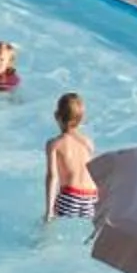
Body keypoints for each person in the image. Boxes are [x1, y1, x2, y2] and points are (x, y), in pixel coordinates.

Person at [45, 93, 98, 225]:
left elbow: (52, 177)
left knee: (50, 226)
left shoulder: (54, 144)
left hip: (70, 196)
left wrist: (49, 211)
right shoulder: (88, 143)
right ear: (82, 119)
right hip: (91, 197)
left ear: (56, 116)